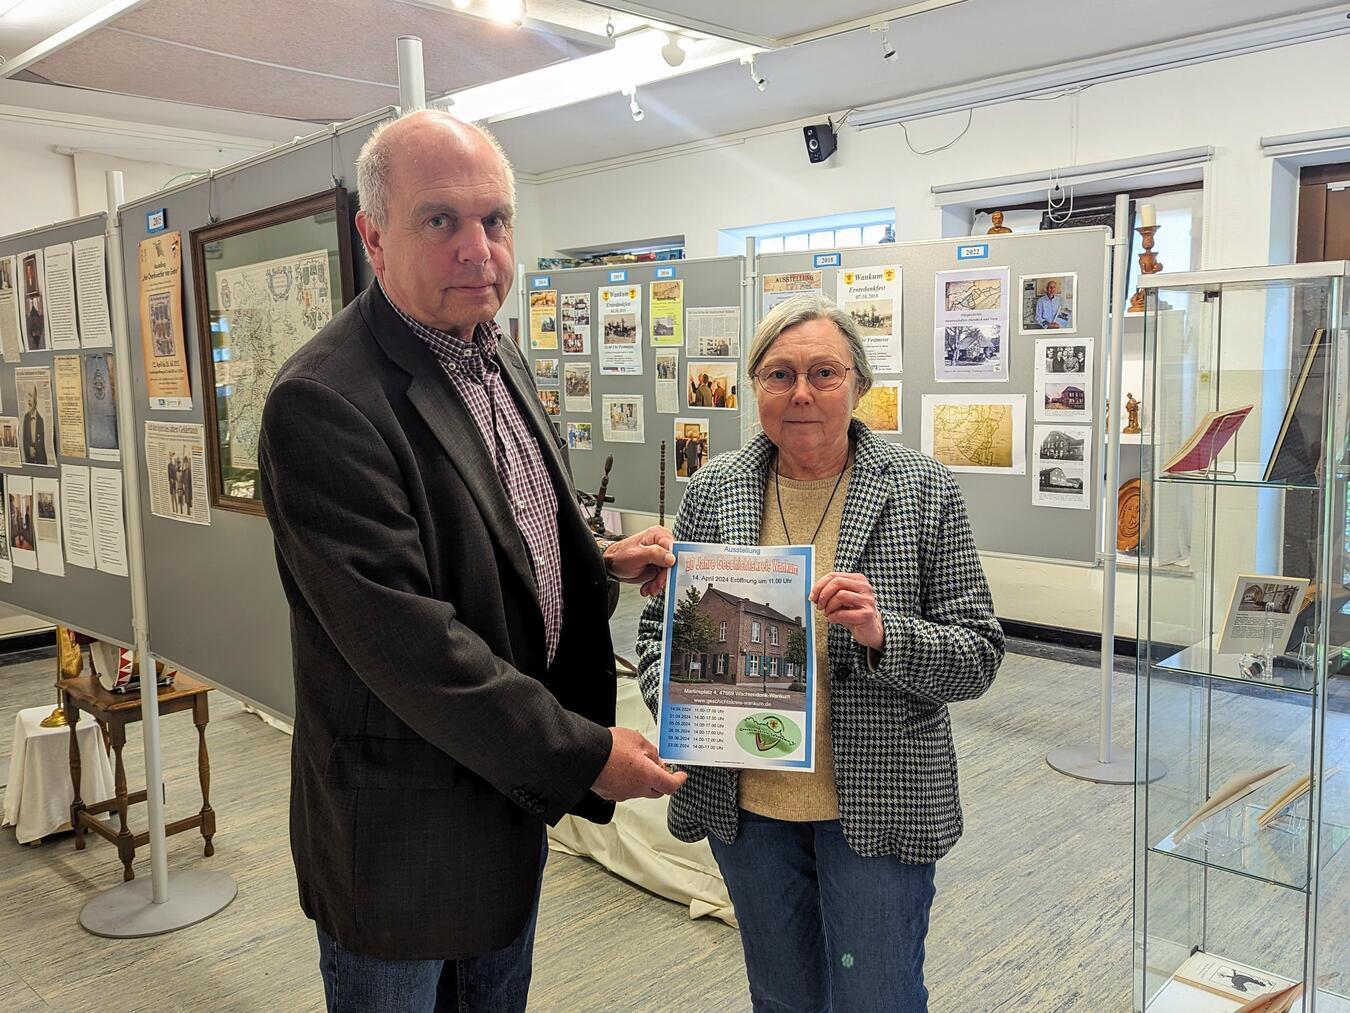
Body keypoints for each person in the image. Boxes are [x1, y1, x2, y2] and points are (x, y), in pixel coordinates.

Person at [258, 109, 684, 1012]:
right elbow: (415, 648)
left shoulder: (497, 353)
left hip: (502, 811)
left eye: (494, 220)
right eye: (440, 220)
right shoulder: (323, 402)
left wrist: (598, 563)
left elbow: (493, 530)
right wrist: (587, 754)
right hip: (403, 844)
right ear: (373, 237)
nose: (478, 250)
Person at [636, 294, 1005, 1011]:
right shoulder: (714, 488)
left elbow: (980, 651)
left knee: (878, 997)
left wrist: (882, 632)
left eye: (823, 373)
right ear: (754, 388)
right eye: (779, 374)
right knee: (781, 997)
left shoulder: (922, 490)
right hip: (749, 805)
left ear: (859, 385)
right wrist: (683, 698)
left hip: (876, 800)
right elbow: (657, 634)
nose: (800, 392)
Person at [21, 387, 46, 465]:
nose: (28, 400)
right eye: (26, 396)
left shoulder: (41, 420)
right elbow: (24, 439)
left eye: (30, 396)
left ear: (36, 399)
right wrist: (29, 448)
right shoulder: (25, 418)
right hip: (29, 462)